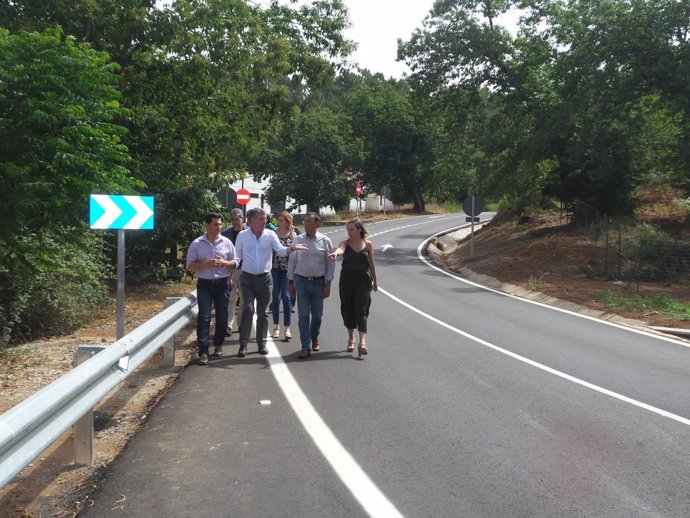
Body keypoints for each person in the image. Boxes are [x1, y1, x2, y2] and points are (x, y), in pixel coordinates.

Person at [234, 208, 306, 357]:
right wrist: (228, 269)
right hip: (247, 278)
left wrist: (292, 248)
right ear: (251, 221)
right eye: (261, 219)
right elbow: (237, 256)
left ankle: (262, 344)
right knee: (247, 309)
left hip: (265, 279)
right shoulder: (242, 235)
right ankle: (243, 344)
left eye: (265, 218)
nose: (265, 221)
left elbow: (280, 250)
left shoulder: (270, 234)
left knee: (263, 313)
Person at [186, 213, 238, 365]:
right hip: (205, 284)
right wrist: (205, 264)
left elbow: (236, 261)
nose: (219, 227)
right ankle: (203, 351)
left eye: (220, 224)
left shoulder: (226, 242)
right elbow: (189, 266)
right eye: (216, 224)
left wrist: (225, 263)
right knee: (204, 317)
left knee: (222, 318)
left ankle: (218, 345)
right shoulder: (197, 243)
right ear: (207, 225)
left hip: (222, 284)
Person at [288, 212, 335, 359]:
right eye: (305, 221)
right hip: (301, 281)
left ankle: (314, 336)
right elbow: (292, 262)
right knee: (303, 315)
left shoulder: (325, 241)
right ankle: (305, 346)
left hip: (318, 283)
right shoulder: (298, 240)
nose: (306, 224)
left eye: (309, 221)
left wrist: (328, 283)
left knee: (317, 316)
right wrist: (291, 282)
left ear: (317, 223)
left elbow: (330, 264)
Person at [329, 218, 378, 356]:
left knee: (362, 309)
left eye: (352, 229)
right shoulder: (345, 243)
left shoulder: (368, 244)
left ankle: (362, 342)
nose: (349, 232)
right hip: (347, 279)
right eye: (348, 229)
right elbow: (340, 249)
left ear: (359, 229)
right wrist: (336, 253)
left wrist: (375, 280)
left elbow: (372, 263)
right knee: (348, 307)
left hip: (363, 280)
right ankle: (351, 338)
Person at [271, 211, 297, 342]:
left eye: (282, 220)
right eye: (278, 220)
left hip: (288, 269)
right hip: (275, 268)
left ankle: (287, 328)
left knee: (286, 297)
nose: (279, 222)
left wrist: (293, 235)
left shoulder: (293, 234)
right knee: (275, 297)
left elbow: (296, 249)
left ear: (287, 221)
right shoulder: (273, 233)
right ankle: (276, 326)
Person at [221, 208, 245, 337]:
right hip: (230, 270)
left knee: (243, 299)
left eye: (238, 219)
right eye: (233, 220)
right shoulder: (226, 234)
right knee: (231, 298)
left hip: (245, 270)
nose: (236, 222)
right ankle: (228, 325)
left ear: (243, 219)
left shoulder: (249, 233)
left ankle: (241, 324)